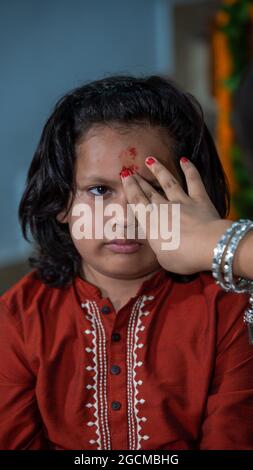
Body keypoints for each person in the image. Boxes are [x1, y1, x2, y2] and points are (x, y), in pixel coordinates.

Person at [0, 75, 253, 450]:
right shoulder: (17, 319)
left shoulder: (228, 309)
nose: (125, 217)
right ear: (61, 202)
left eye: (150, 190)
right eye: (100, 190)